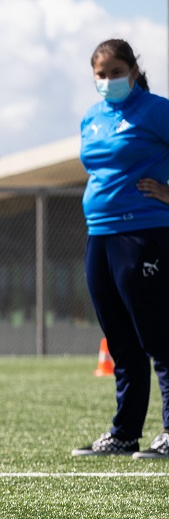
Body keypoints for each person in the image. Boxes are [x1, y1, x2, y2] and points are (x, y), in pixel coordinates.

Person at [73, 39, 169, 460]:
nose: (108, 81)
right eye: (101, 74)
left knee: (159, 336)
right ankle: (125, 432)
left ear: (132, 71)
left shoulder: (155, 110)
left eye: (115, 72)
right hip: (101, 235)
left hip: (146, 233)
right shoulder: (91, 119)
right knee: (121, 342)